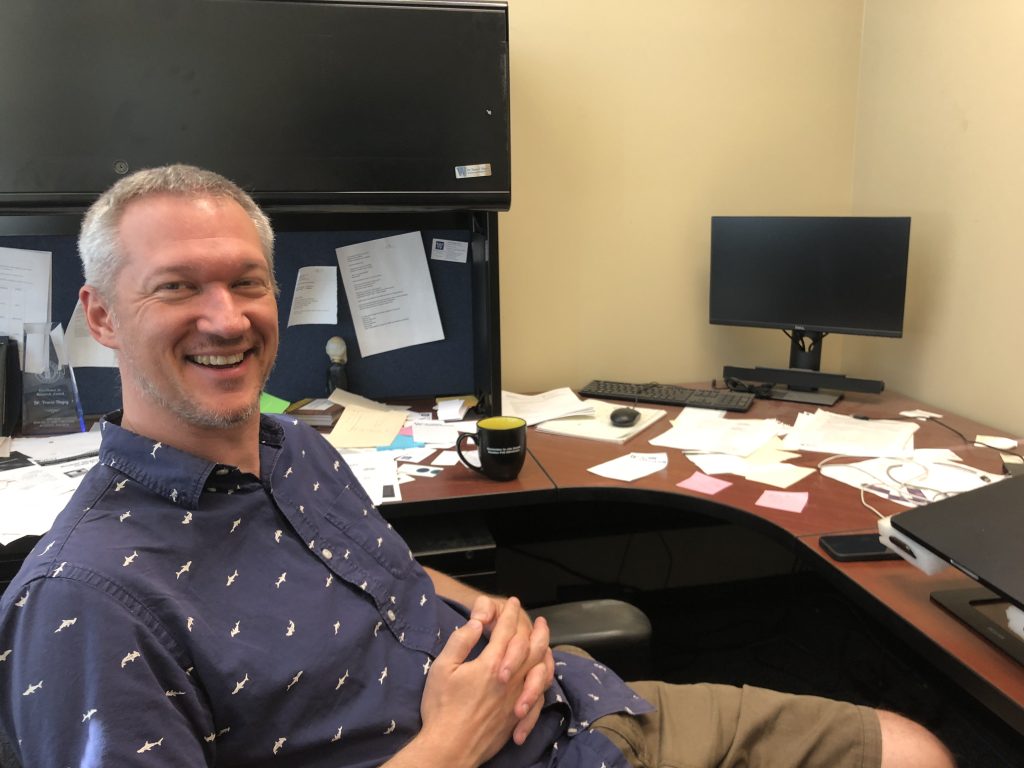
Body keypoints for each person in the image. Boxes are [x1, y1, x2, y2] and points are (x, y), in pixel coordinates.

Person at [0, 165, 955, 767]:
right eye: (177, 288)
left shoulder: (292, 446)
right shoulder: (85, 602)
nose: (225, 317)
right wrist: (456, 739)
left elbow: (364, 571)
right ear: (100, 315)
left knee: (910, 749)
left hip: (578, 708)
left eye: (245, 281)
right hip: (493, 746)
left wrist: (471, 602)